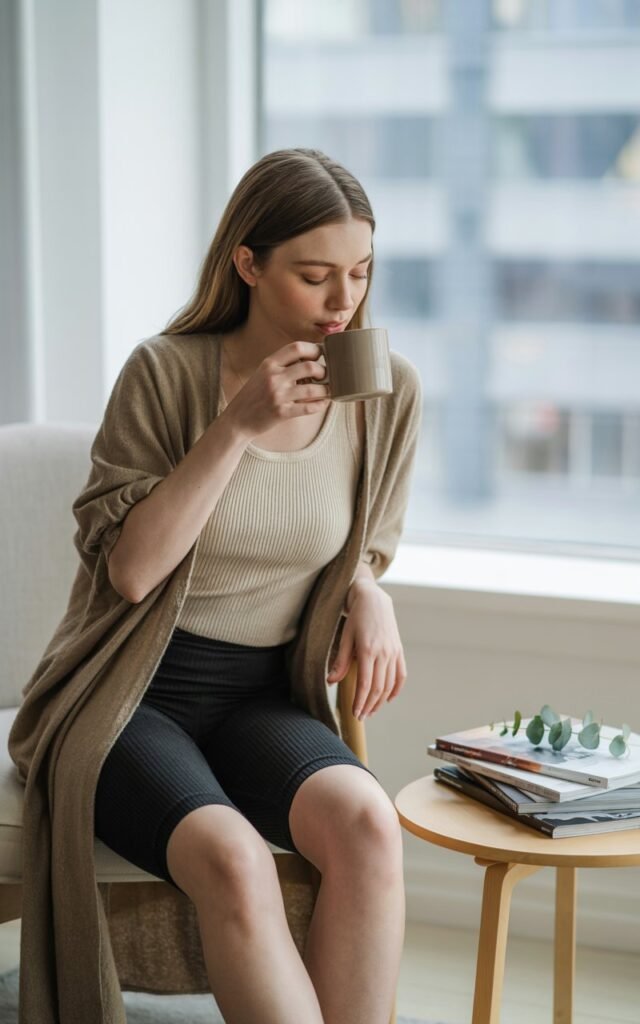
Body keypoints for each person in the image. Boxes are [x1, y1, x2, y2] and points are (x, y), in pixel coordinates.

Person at [9, 147, 422, 1024]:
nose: (344, 301)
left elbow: (361, 545)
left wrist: (369, 590)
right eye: (315, 276)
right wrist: (235, 428)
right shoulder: (165, 373)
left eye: (360, 272)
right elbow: (128, 570)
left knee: (367, 826)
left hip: (263, 695)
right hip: (127, 697)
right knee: (233, 858)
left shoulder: (383, 393)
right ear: (248, 264)